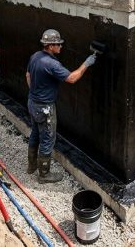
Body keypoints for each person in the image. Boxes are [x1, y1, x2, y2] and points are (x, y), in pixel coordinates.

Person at [25, 29, 97, 183]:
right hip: (45, 108)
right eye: (58, 44)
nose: (61, 46)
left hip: (32, 103)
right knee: (47, 139)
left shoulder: (35, 56)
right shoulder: (52, 64)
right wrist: (87, 63)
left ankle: (31, 166)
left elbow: (28, 75)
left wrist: (34, 93)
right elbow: (72, 78)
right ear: (50, 46)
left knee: (35, 133)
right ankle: (44, 175)